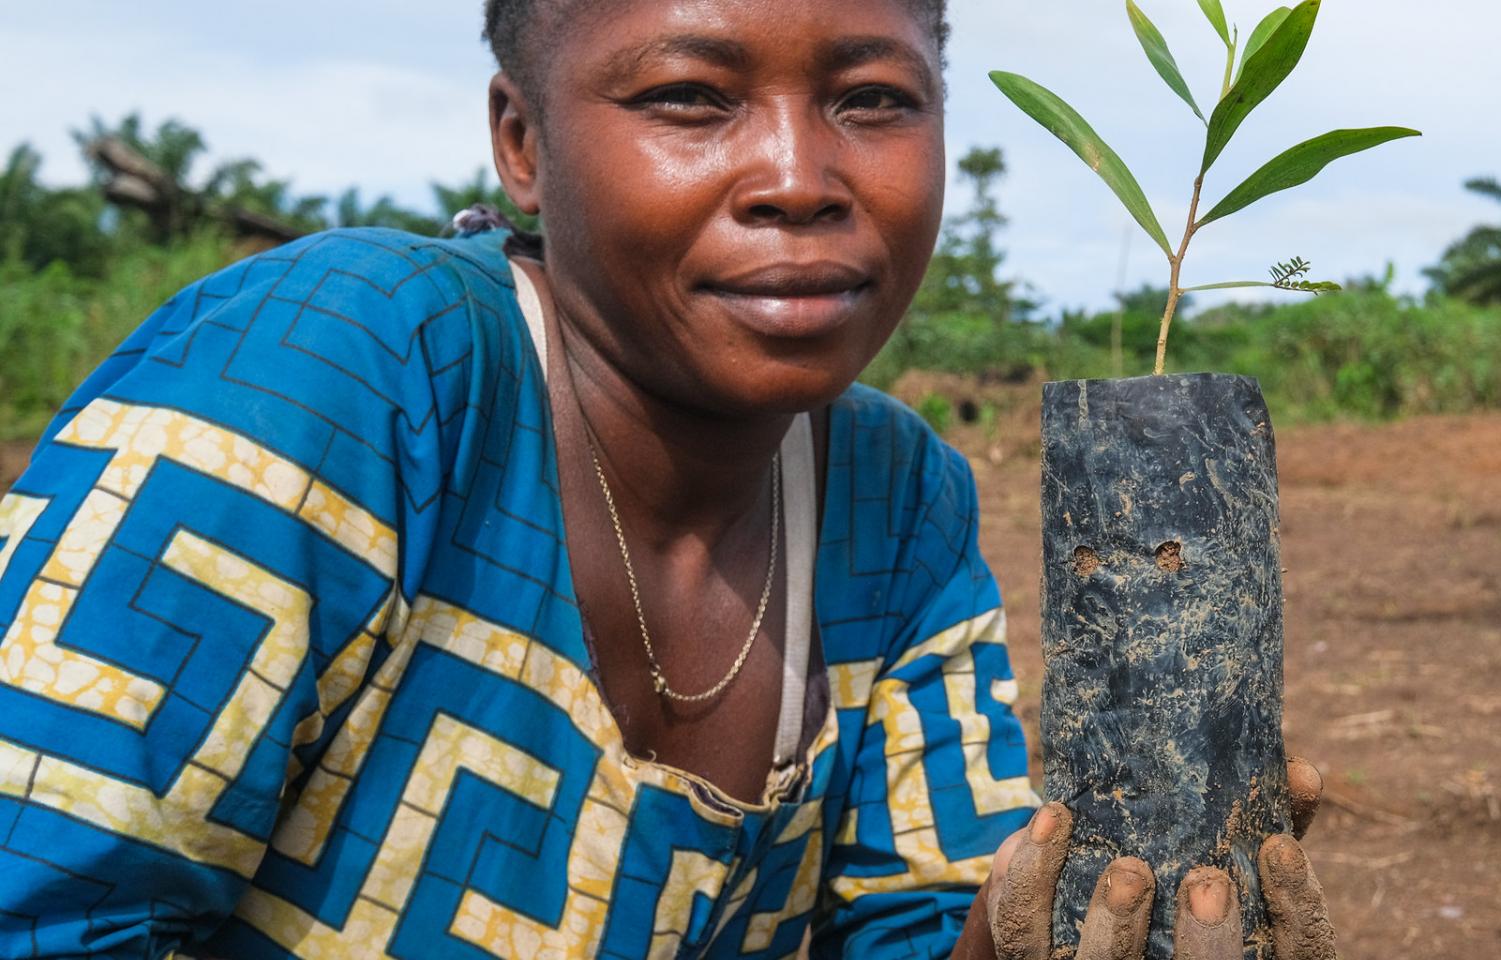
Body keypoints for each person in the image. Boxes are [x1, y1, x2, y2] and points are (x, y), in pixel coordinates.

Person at [0, 1, 1335, 957]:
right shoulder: (342, 373)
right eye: (691, 98)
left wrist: (1018, 937)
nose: (800, 180)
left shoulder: (897, 502)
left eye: (872, 97)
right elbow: (43, 899)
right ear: (522, 143)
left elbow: (919, 927)